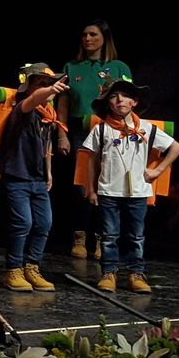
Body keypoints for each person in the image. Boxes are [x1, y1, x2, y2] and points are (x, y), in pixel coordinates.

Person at [82, 77, 179, 294]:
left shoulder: (147, 129)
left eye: (125, 96)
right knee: (109, 235)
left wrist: (157, 170)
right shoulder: (101, 130)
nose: (119, 101)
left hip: (137, 192)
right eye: (114, 97)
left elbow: (176, 148)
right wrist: (90, 189)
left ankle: (136, 273)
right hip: (109, 190)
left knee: (136, 236)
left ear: (134, 102)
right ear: (108, 102)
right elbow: (91, 160)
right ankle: (109, 272)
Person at [0, 63, 70, 293]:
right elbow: (34, 98)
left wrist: (48, 170)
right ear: (29, 88)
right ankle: (14, 269)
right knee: (23, 223)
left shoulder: (49, 115)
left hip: (38, 178)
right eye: (42, 84)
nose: (49, 88)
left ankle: (32, 266)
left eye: (50, 83)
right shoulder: (23, 108)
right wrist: (48, 90)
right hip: (17, 175)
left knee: (44, 223)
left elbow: (46, 144)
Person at [62, 20, 131, 260]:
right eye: (84, 35)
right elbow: (63, 103)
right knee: (83, 184)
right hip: (80, 131)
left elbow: (130, 102)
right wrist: (62, 133)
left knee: (108, 184)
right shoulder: (72, 67)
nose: (88, 39)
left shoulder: (118, 66)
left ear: (104, 38)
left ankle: (104, 238)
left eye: (93, 34)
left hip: (111, 129)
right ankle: (79, 236)